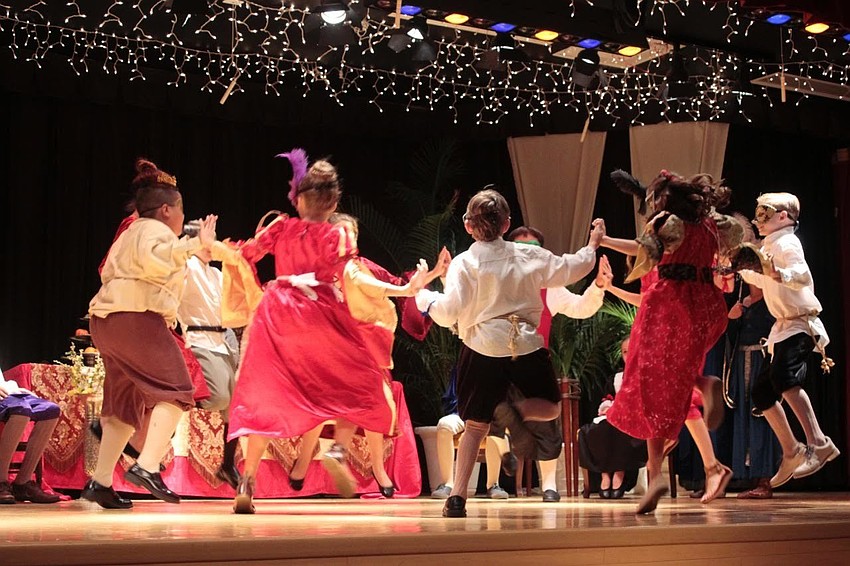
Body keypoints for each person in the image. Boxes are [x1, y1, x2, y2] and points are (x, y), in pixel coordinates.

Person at [225, 157, 428, 513]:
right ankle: (337, 449)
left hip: (277, 313)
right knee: (358, 383)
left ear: (298, 200)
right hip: (319, 311)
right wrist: (403, 289)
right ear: (334, 203)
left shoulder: (281, 227)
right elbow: (349, 272)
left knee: (262, 396)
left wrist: (217, 247)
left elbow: (245, 255)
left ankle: (248, 479)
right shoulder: (340, 233)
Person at [415, 188, 604, 518]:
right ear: (506, 224)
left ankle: (457, 497)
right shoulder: (528, 255)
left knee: (475, 426)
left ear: (468, 226)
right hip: (525, 346)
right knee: (550, 407)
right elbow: (572, 267)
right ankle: (515, 410)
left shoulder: (464, 263)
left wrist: (423, 296)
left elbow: (448, 312)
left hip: (482, 348)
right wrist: (593, 244)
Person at [600, 170, 742, 514]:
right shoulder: (711, 224)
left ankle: (658, 473)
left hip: (669, 305)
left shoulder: (669, 225)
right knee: (666, 386)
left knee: (649, 383)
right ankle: (659, 472)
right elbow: (737, 237)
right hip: (705, 304)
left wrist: (603, 240)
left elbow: (643, 249)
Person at [83, 158, 218, 509]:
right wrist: (195, 243)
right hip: (135, 317)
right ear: (166, 210)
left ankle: (100, 482)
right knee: (178, 390)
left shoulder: (130, 231)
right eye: (181, 210)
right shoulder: (154, 231)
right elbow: (156, 258)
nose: (182, 218)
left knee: (122, 406)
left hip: (107, 321)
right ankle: (147, 466)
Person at [285, 213, 437, 498]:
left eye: (351, 233)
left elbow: (382, 284)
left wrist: (425, 279)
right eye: (340, 233)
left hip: (355, 346)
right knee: (362, 400)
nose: (347, 238)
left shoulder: (354, 266)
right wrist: (406, 289)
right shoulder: (337, 268)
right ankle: (341, 459)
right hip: (345, 346)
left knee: (354, 403)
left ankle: (308, 466)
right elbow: (372, 286)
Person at [738, 192, 838, 488]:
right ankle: (792, 450)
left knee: (785, 378)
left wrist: (776, 271)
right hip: (783, 327)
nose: (758, 220)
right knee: (762, 392)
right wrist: (743, 269)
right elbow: (763, 280)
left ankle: (819, 443)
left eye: (765, 213)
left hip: (800, 323)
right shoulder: (770, 245)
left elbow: (801, 275)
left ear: (783, 216)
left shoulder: (787, 242)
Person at [506, 225, 612, 502]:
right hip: (496, 361)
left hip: (534, 363)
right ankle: (494, 476)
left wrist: (598, 286)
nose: (527, 253)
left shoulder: (549, 287)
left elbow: (580, 307)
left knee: (546, 421)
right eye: (520, 247)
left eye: (533, 248)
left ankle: (550, 485)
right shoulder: (497, 281)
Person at [177, 245, 241, 489]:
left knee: (235, 407)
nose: (211, 245)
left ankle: (228, 464)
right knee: (218, 398)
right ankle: (174, 401)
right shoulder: (187, 266)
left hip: (225, 340)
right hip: (199, 339)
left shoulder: (216, 273)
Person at [725, 280, 780, 499]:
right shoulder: (742, 302)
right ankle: (750, 475)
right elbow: (732, 337)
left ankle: (766, 478)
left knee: (763, 415)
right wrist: (731, 319)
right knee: (744, 417)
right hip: (741, 362)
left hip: (761, 360)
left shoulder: (771, 301)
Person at [577, 338, 647, 499]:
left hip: (636, 419)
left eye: (632, 350)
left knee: (621, 428)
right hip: (613, 417)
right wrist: (607, 407)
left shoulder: (646, 375)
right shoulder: (616, 377)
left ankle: (619, 473)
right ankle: (605, 474)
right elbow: (607, 398)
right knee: (593, 431)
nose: (628, 355)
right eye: (625, 352)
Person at [429, 367, 511, 500]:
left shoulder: (496, 367)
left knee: (495, 428)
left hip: (488, 416)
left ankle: (493, 484)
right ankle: (447, 484)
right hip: (461, 413)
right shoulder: (463, 367)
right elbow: (451, 398)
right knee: (444, 425)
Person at [0, 368, 61, 504]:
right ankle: (1, 481)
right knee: (21, 410)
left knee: (50, 410)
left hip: (7, 393)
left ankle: (23, 483)